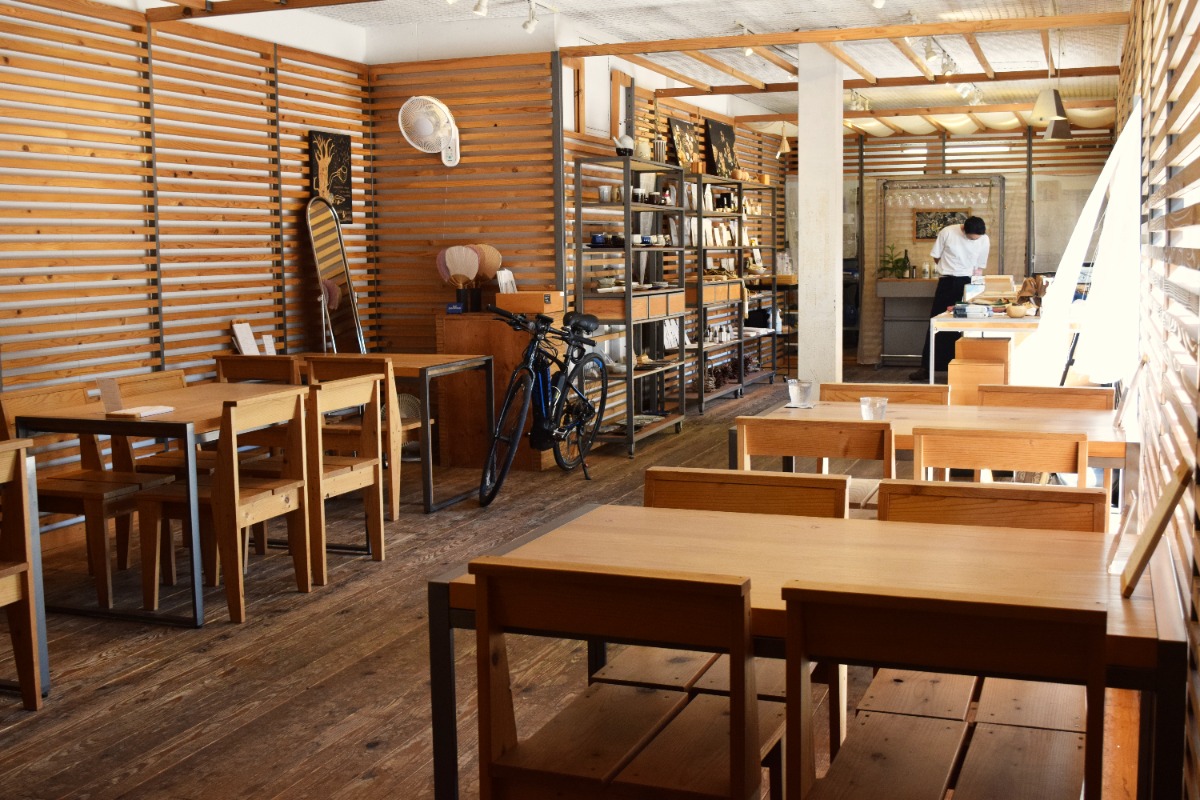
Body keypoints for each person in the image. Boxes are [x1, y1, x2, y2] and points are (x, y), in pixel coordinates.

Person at [909, 216, 990, 381]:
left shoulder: (984, 239)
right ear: (963, 230)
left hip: (969, 284)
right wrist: (948, 267)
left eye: (976, 239)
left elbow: (980, 266)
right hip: (947, 281)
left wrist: (977, 287)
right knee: (936, 323)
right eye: (971, 238)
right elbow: (936, 256)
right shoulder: (947, 232)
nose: (973, 240)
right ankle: (926, 367)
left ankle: (962, 367)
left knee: (966, 326)